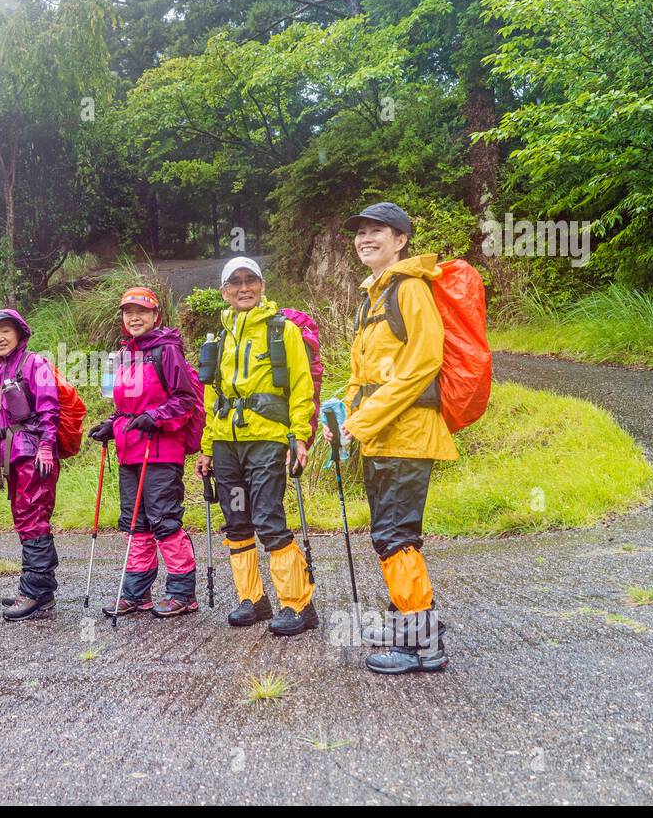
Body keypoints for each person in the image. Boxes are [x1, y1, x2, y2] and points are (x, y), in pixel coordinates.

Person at [323, 202, 455, 673]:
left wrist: (362, 422)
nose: (365, 238)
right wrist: (343, 415)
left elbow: (422, 365)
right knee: (390, 535)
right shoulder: (372, 296)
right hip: (381, 437)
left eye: (377, 230)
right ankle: (407, 622)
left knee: (396, 538)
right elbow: (364, 375)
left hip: (408, 437)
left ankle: (422, 645)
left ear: (401, 240)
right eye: (360, 232)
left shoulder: (410, 289)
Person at [195, 258, 318, 636]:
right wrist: (207, 446)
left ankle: (298, 604)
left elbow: (301, 387)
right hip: (227, 447)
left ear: (262, 286)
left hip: (266, 441)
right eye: (235, 282)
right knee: (236, 519)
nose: (244, 287)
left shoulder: (282, 331)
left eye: (251, 280)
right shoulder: (219, 339)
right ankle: (253, 599)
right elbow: (212, 398)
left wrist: (299, 436)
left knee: (268, 517)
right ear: (224, 292)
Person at [87, 287, 202, 618]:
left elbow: (184, 400)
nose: (134, 317)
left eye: (141, 311)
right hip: (130, 450)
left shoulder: (167, 351)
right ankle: (136, 594)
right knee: (136, 525)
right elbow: (126, 406)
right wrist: (112, 425)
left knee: (164, 521)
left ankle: (182, 593)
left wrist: (156, 417)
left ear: (156, 316)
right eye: (128, 312)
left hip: (161, 450)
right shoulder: (125, 354)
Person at [0, 309, 62, 622]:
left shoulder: (36, 364)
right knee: (24, 518)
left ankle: (35, 592)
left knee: (33, 517)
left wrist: (46, 447)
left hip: (34, 455)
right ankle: (38, 588)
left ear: (19, 333)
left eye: (5, 331)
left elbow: (49, 411)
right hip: (13, 457)